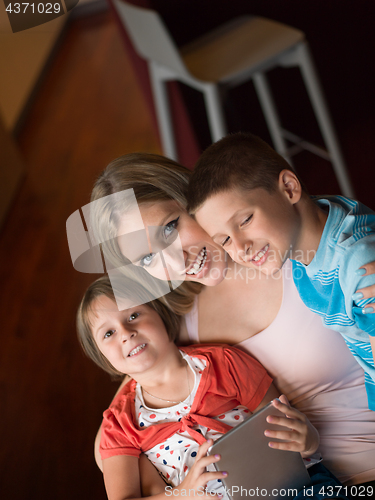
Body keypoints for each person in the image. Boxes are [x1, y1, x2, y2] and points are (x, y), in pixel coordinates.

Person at [87, 153, 375, 486]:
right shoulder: (174, 318)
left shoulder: (287, 241)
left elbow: (353, 238)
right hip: (288, 485)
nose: (177, 261)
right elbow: (105, 446)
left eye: (170, 228)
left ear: (194, 198)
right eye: (148, 257)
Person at [77, 275, 353, 500]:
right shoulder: (118, 424)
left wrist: (309, 441)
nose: (126, 333)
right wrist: (180, 495)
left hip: (288, 490)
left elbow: (286, 428)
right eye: (109, 333)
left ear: (160, 315)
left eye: (134, 315)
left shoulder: (223, 362)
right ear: (103, 357)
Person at [187, 132, 375, 411]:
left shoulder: (359, 269)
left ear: (289, 188)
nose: (241, 248)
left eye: (246, 220)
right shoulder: (314, 225)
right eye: (224, 240)